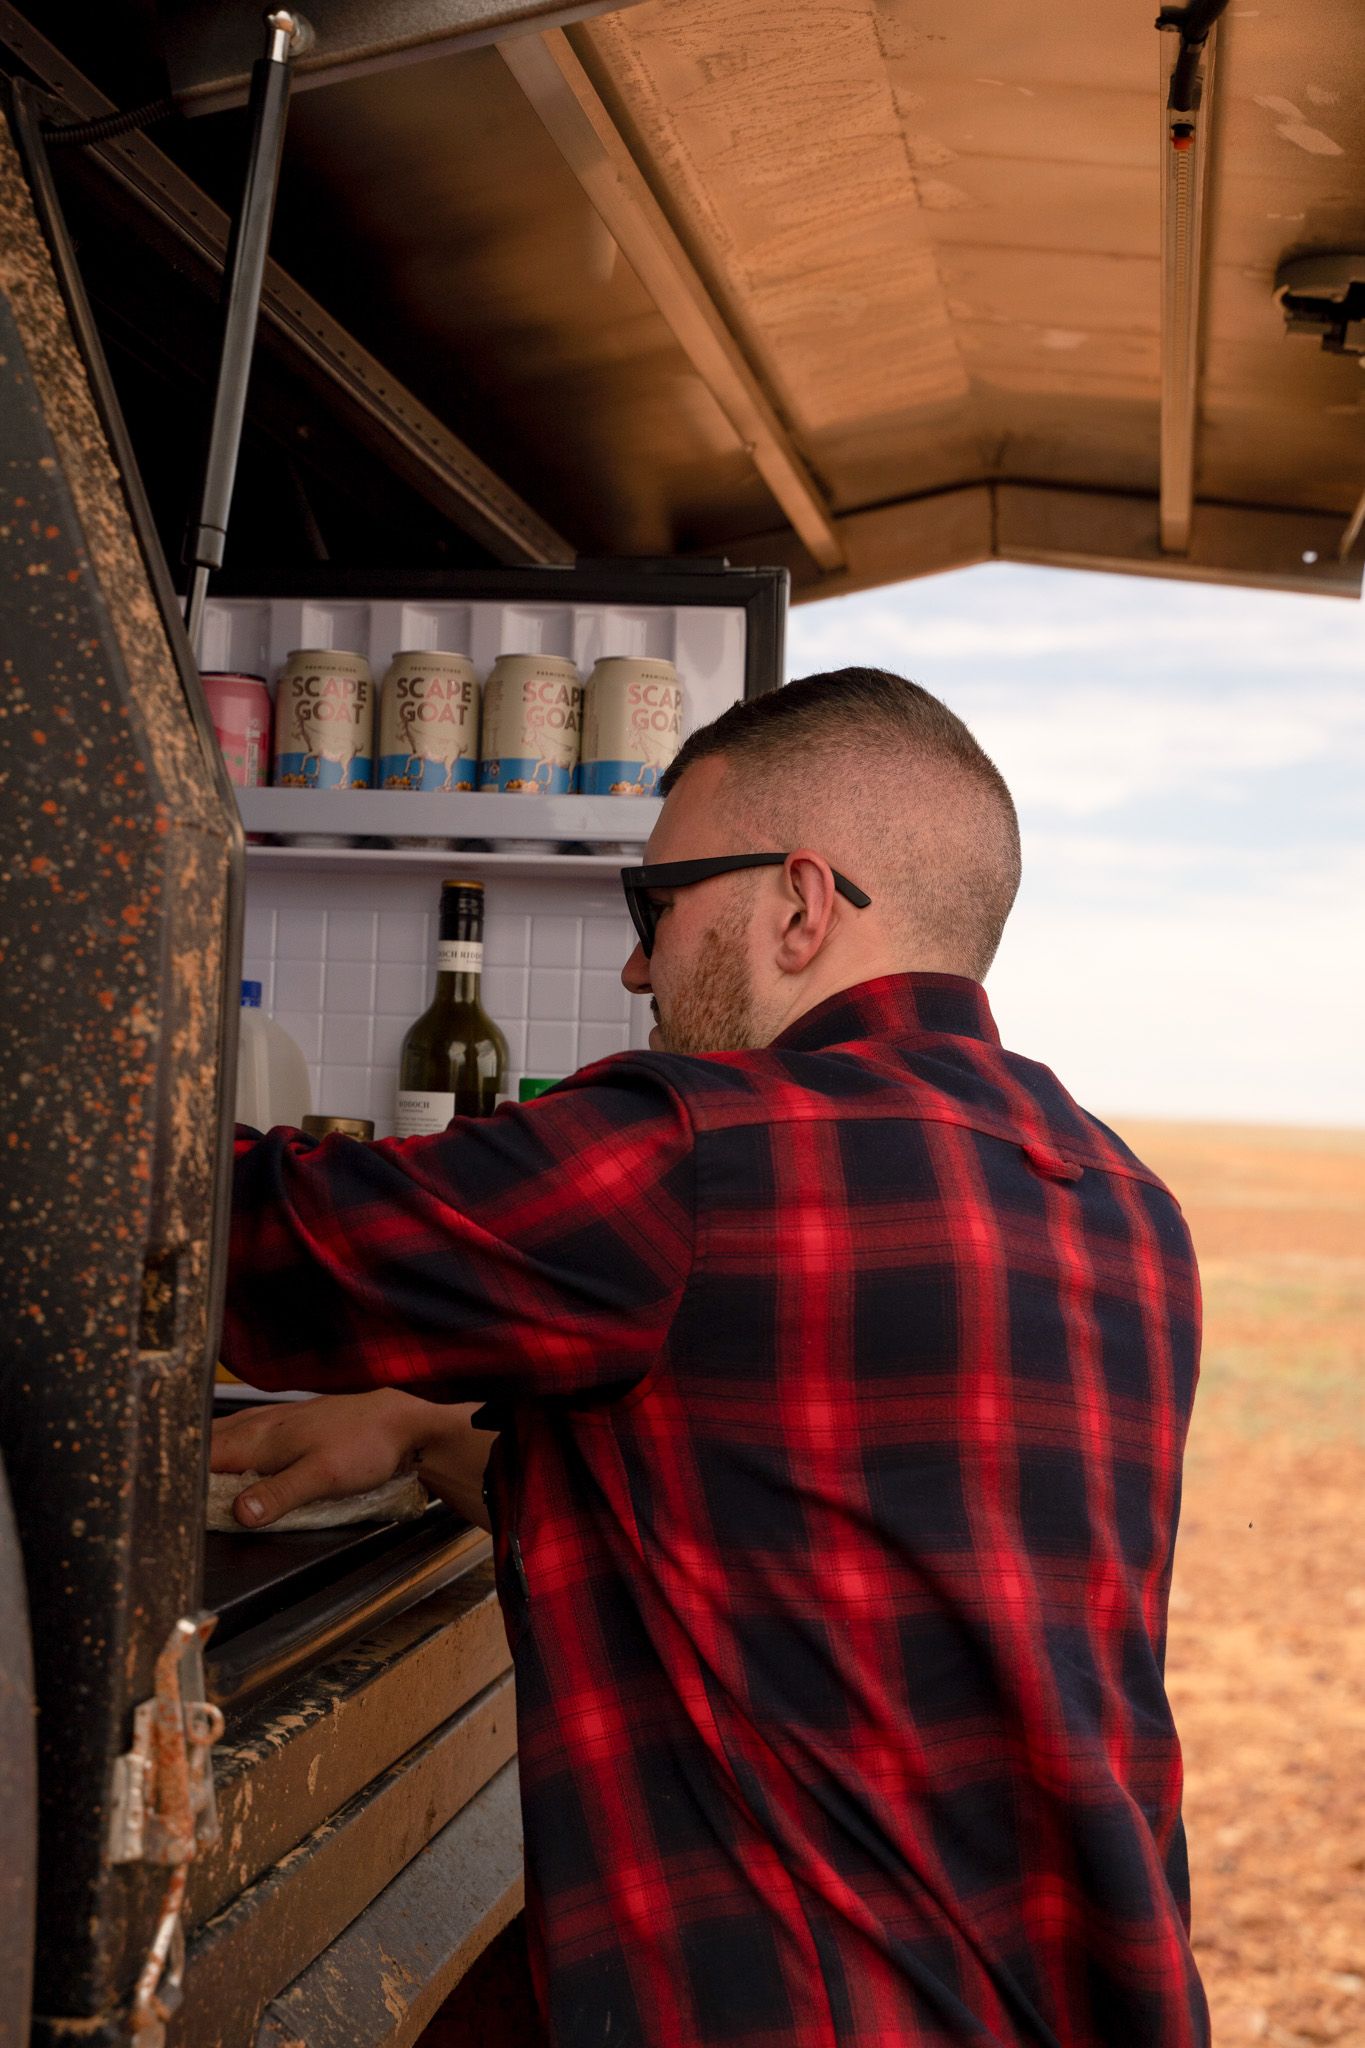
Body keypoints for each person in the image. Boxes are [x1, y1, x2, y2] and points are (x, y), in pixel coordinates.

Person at [217, 667, 1209, 2048]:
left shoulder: (702, 1155)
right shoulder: (1119, 1200)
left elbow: (244, 1233)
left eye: (656, 907)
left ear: (800, 904)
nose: (638, 967)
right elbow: (786, 1518)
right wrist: (419, 1423)